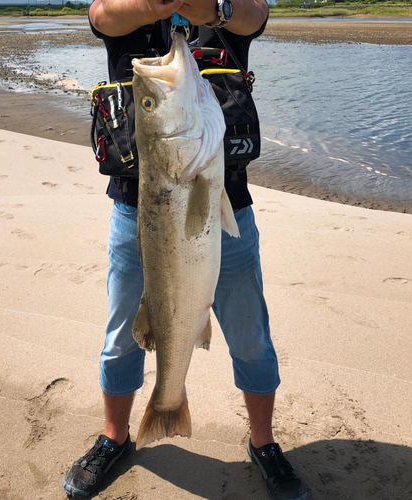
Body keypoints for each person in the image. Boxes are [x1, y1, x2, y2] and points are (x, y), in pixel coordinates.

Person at [63, 2, 308, 499]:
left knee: (251, 338)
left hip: (228, 213)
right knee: (121, 336)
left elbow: (254, 18)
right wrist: (158, 4)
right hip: (138, 216)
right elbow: (101, 16)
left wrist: (213, 8)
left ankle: (263, 444)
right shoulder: (130, 9)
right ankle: (116, 436)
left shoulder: (220, 6)